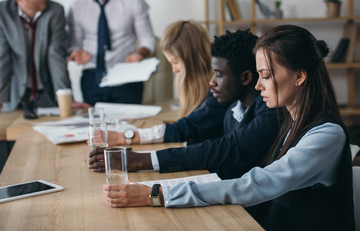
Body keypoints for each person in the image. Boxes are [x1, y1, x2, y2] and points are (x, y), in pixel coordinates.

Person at [102, 25, 355, 231]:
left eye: (265, 76)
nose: (258, 86)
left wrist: (156, 194)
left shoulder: (325, 134)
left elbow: (257, 184)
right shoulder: (293, 121)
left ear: (299, 76)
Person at [90, 29, 281, 181]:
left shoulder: (270, 111)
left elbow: (226, 148)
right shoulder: (233, 108)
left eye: (219, 75)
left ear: (246, 77)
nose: (211, 82)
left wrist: (142, 160)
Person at [104, 20, 228, 147]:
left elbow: (186, 127)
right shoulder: (202, 86)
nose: (174, 70)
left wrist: (125, 136)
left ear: (192, 59)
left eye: (175, 62)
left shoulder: (220, 89)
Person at [67, 0, 156, 105]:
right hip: (92, 77)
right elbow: (74, 45)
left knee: (132, 121)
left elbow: (148, 40)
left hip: (127, 75)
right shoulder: (77, 5)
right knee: (93, 121)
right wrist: (76, 53)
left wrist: (139, 53)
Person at [0, 0, 73, 112]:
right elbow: (2, 58)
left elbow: (55, 54)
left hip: (47, 91)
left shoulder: (55, 10)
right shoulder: (3, 13)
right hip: (16, 91)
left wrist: (65, 94)